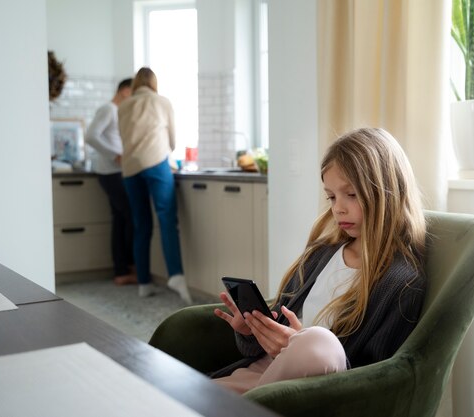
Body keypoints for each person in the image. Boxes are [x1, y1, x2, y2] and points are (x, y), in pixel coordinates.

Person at [212, 127, 427, 393]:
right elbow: (262, 347)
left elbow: (377, 375)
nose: (338, 208)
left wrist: (298, 345)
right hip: (264, 372)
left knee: (319, 344)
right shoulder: (320, 255)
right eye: (332, 196)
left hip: (318, 391)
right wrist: (252, 330)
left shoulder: (402, 282)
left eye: (352, 194)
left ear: (386, 192)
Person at [117, 67, 192, 304]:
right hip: (156, 163)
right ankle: (176, 276)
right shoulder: (162, 102)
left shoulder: (124, 106)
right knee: (167, 220)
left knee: (141, 225)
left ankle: (143, 283)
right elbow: (172, 140)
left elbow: (123, 137)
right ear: (153, 83)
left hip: (130, 168)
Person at [85, 78, 136, 286]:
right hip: (111, 172)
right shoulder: (109, 109)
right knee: (128, 217)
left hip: (113, 171)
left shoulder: (116, 111)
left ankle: (121, 270)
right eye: (133, 93)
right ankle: (125, 268)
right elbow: (90, 136)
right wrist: (116, 155)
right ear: (124, 91)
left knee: (120, 219)